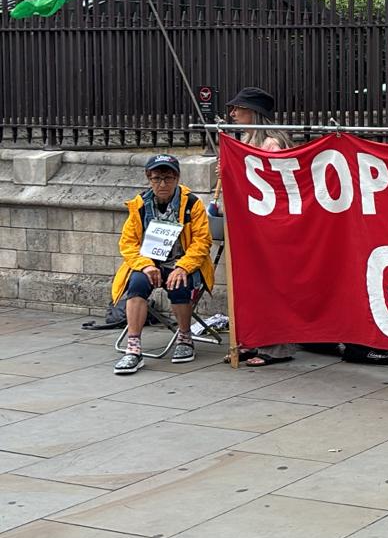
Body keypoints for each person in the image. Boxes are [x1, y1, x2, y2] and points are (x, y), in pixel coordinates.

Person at [216, 86, 297, 368]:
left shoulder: (273, 143)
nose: (233, 113)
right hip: (249, 223)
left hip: (269, 225)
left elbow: (276, 183)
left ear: (255, 112)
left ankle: (276, 346)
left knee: (271, 284)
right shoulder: (247, 139)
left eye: (239, 108)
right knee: (249, 284)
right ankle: (251, 340)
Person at [111, 154, 214, 375]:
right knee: (136, 284)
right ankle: (134, 347)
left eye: (168, 178)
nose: (162, 184)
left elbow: (202, 242)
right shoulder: (139, 204)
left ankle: (185, 337)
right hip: (150, 262)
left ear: (177, 178)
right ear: (149, 179)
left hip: (182, 262)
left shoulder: (192, 204)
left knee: (180, 285)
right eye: (157, 178)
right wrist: (145, 265)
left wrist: (183, 266)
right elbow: (128, 243)